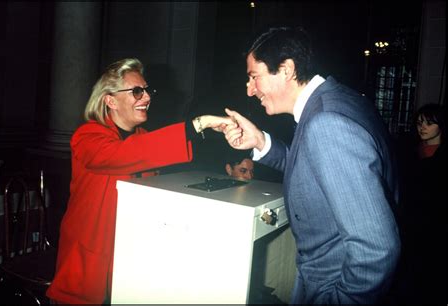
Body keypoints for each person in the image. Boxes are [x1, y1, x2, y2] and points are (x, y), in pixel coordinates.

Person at [222, 27, 401, 304]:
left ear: (286, 70)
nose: (249, 90)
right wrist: (260, 142)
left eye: (254, 77)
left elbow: (376, 250)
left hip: (331, 286)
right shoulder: (339, 100)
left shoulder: (327, 123)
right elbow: (315, 167)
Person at [46, 58, 234, 304]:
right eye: (137, 91)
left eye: (147, 91)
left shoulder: (143, 137)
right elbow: (124, 155)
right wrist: (198, 124)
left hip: (128, 254)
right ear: (110, 100)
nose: (146, 97)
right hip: (89, 261)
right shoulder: (88, 135)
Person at [397, 103, 446, 303]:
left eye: (429, 123)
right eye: (419, 123)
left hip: (436, 227)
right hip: (410, 222)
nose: (422, 127)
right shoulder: (409, 151)